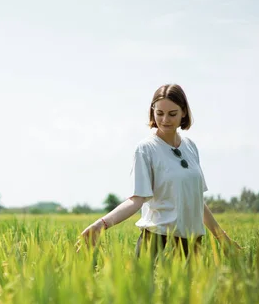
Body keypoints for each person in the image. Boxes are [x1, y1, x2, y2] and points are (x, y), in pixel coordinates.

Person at [79, 84, 240, 258]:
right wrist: (101, 224)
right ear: (152, 112)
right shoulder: (145, 149)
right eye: (159, 113)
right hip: (156, 239)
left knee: (190, 285)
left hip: (191, 242)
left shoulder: (190, 147)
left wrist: (222, 238)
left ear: (184, 112)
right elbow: (136, 199)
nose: (165, 120)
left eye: (172, 114)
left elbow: (197, 201)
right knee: (143, 285)